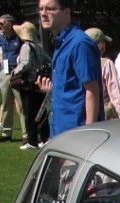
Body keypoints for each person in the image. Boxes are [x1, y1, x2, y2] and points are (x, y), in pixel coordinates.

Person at [36, 0, 102, 136]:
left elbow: (92, 90)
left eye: (50, 9)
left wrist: (88, 133)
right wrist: (52, 90)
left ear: (66, 12)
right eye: (41, 9)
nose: (43, 14)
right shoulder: (61, 43)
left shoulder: (80, 43)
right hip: (60, 131)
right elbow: (70, 87)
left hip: (77, 133)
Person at [10, 21, 50, 149]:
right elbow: (48, 60)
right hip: (38, 82)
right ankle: (45, 137)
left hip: (28, 83)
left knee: (29, 112)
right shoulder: (38, 46)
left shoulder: (26, 46)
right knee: (41, 112)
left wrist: (14, 72)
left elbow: (25, 63)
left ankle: (31, 141)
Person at [0, 14, 23, 143]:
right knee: (6, 103)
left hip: (17, 71)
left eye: (1, 24)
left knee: (20, 104)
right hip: (5, 72)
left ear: (10, 25)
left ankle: (26, 135)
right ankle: (6, 133)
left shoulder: (19, 37)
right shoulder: (1, 37)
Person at [85, 28, 120, 119]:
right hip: (103, 113)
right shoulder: (106, 63)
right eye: (103, 42)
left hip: (85, 113)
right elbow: (114, 91)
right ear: (100, 44)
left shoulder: (80, 64)